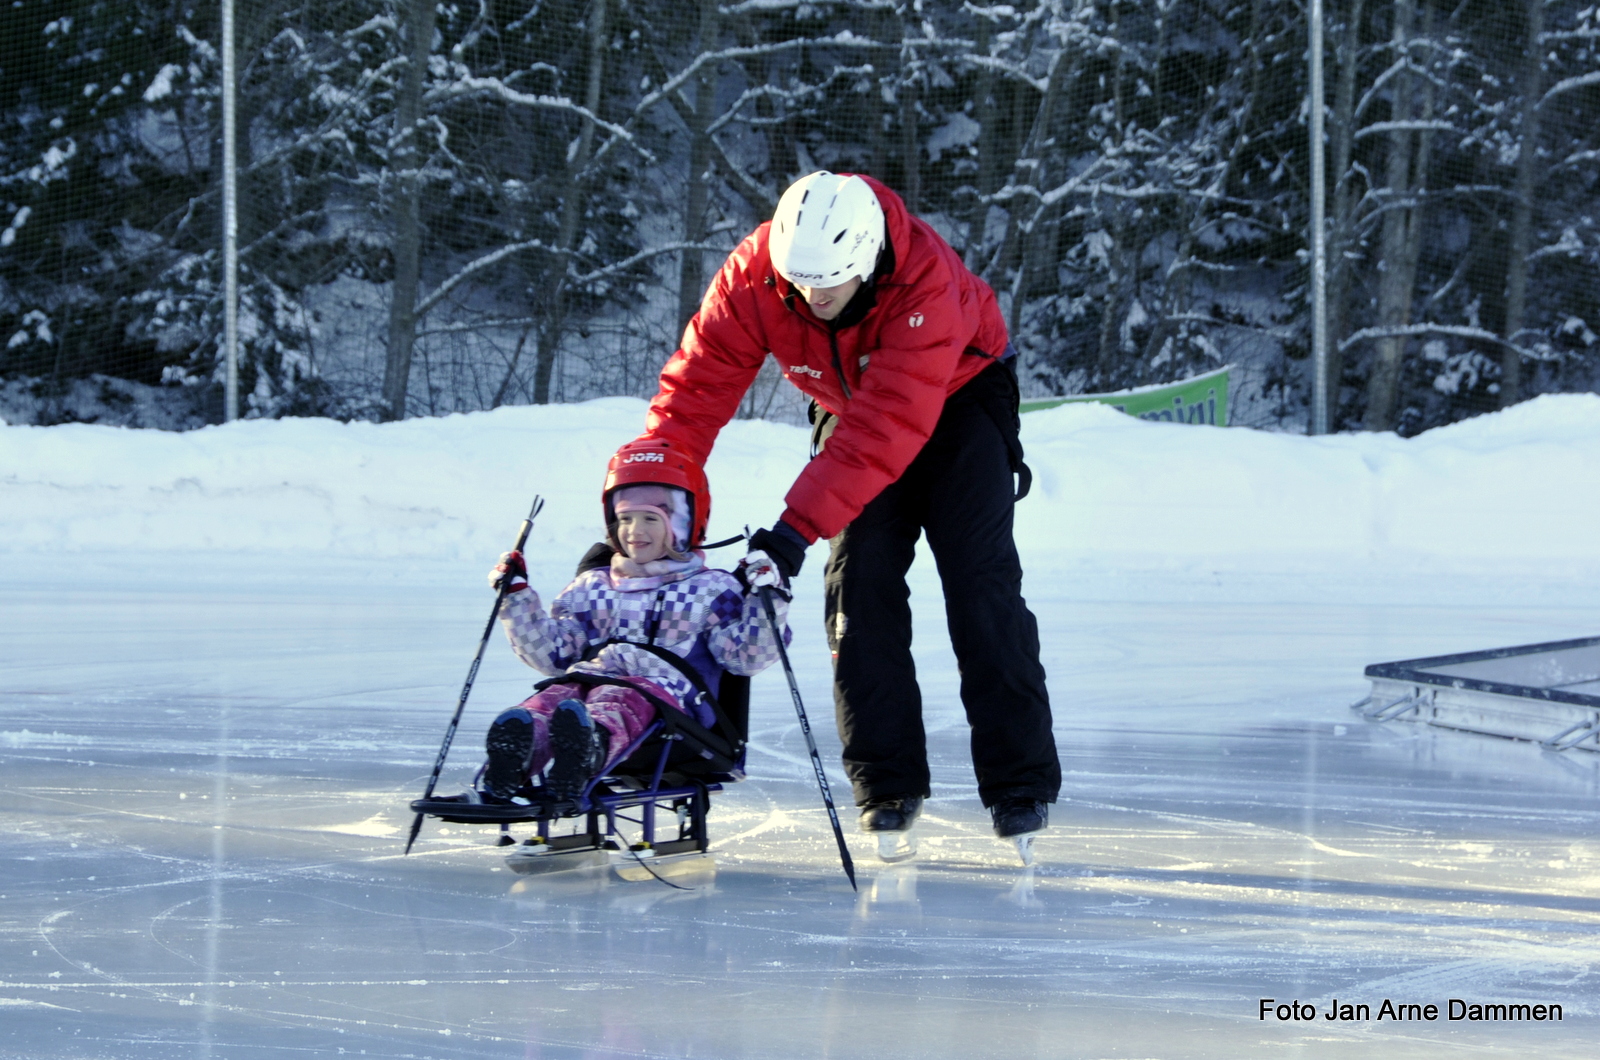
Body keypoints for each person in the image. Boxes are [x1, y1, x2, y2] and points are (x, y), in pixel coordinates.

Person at [634, 170, 1061, 850]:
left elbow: (887, 426)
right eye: (800, 282)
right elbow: (696, 392)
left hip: (959, 396)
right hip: (850, 408)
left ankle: (1020, 782)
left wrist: (794, 530)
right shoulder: (756, 276)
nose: (813, 296)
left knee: (980, 586)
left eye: (829, 284)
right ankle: (886, 783)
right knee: (858, 586)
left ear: (866, 261)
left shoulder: (924, 281)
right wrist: (652, 500)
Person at [473, 440, 790, 802]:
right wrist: (515, 598)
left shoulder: (710, 589)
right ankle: (519, 752)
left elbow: (746, 657)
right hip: (591, 689)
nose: (634, 531)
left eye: (650, 519)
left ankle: (588, 748)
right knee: (558, 695)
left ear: (684, 525)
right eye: (625, 519)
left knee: (619, 697)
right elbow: (552, 655)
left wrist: (770, 598)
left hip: (671, 711)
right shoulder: (593, 586)